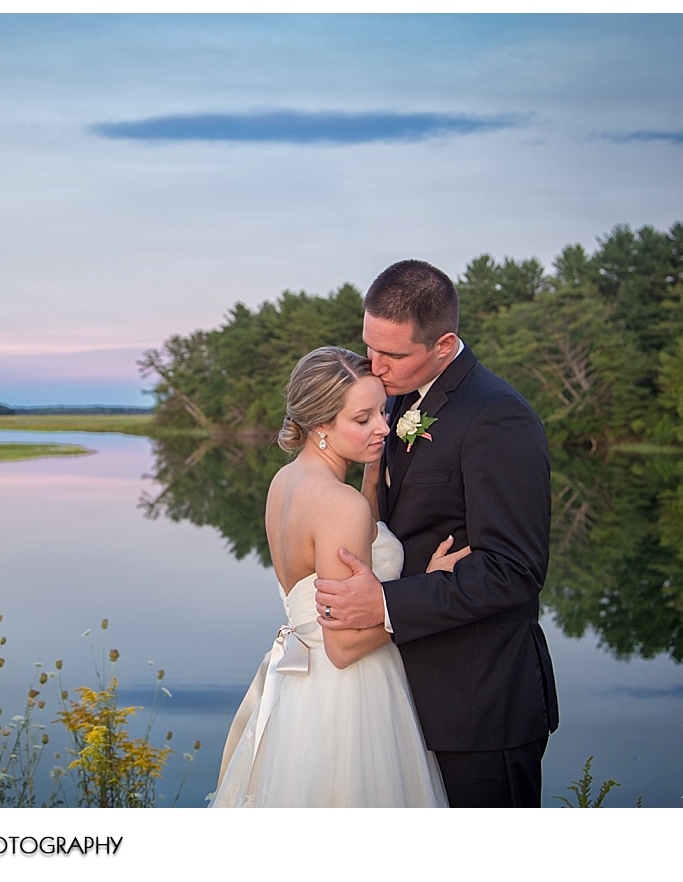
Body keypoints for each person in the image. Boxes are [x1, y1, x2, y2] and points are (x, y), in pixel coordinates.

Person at [314, 259, 560, 808]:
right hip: (403, 700)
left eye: (392, 354)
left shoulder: (498, 418)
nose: (373, 368)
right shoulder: (396, 399)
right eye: (369, 347)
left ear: (444, 344)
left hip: (479, 707)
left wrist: (384, 602)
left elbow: (514, 570)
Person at [209, 346, 465, 808]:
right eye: (362, 419)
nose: (384, 428)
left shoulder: (285, 482)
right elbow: (344, 646)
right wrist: (425, 587)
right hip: (352, 696)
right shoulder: (339, 505)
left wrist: (369, 482)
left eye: (382, 412)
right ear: (321, 425)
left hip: (301, 686)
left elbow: (335, 546)